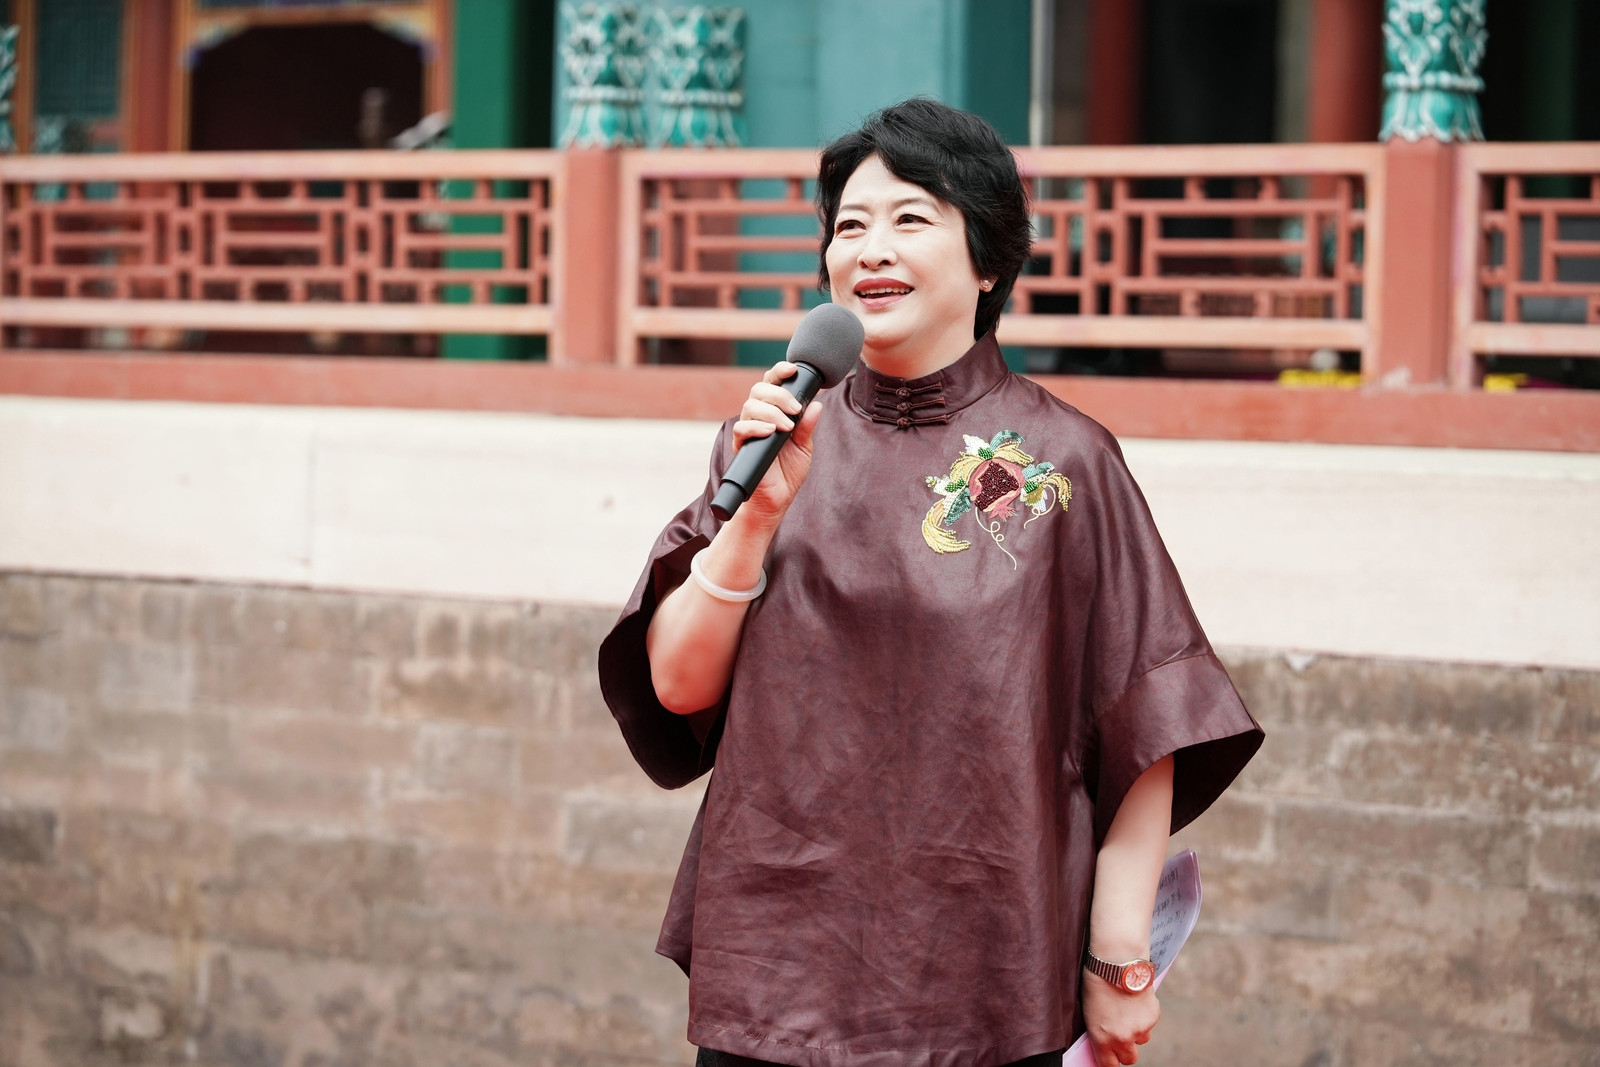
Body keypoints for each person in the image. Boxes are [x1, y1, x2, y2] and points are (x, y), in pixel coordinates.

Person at [598, 98, 1262, 1067]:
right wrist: (757, 518)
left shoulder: (1065, 460)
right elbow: (676, 684)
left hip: (986, 966)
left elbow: (1144, 720)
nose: (871, 249)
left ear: (988, 260)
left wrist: (1119, 959)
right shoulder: (773, 437)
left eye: (910, 218)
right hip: (778, 962)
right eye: (849, 226)